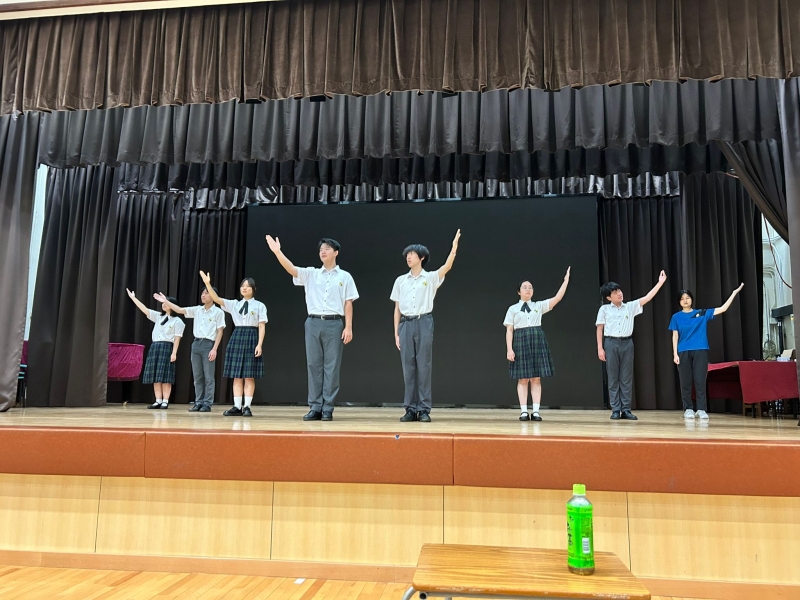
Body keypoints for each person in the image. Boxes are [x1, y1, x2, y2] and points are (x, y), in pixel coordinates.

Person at [266, 236, 359, 421]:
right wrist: (277, 252)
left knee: (331, 366)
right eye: (321, 249)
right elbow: (292, 269)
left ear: (336, 252)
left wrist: (348, 327)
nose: (323, 251)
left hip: (334, 323)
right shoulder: (311, 273)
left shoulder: (345, 276)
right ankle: (315, 407)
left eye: (327, 248)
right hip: (313, 322)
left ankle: (328, 408)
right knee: (313, 365)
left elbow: (348, 303)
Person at [391, 229, 461, 423]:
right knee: (408, 368)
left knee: (424, 366)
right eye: (407, 254)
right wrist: (396, 332)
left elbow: (447, 266)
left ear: (421, 257)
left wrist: (453, 248)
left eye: (412, 254)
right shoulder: (400, 281)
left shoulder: (429, 278)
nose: (408, 257)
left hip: (424, 322)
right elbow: (397, 308)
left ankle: (423, 409)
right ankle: (410, 409)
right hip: (406, 324)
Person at [596, 271, 667, 420]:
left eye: (619, 290)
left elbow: (647, 297)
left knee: (626, 378)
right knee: (613, 377)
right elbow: (599, 329)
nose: (619, 293)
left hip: (627, 343)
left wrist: (660, 283)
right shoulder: (604, 309)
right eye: (615, 292)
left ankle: (626, 409)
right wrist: (600, 348)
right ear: (609, 297)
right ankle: (615, 409)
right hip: (611, 343)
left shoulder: (630, 306)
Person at [669, 284, 744, 420]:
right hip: (683, 351)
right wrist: (675, 354)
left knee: (700, 380)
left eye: (687, 298)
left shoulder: (702, 313)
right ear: (679, 302)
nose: (685, 300)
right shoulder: (676, 317)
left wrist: (734, 293)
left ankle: (701, 409)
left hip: (700, 349)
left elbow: (722, 309)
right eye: (682, 299)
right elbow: (675, 336)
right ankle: (688, 409)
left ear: (691, 299)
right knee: (685, 382)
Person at [505, 268, 571, 421]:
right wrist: (509, 349)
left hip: (536, 340)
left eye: (530, 287)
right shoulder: (513, 309)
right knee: (522, 378)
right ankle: (523, 411)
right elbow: (509, 330)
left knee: (536, 378)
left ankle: (536, 411)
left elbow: (557, 298)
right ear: (519, 292)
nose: (528, 289)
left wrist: (566, 281)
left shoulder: (538, 306)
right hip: (520, 340)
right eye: (525, 287)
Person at [199, 271, 267, 417]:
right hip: (237, 336)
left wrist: (259, 344)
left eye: (248, 286)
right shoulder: (234, 304)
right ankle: (236, 406)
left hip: (251, 336)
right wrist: (207, 284)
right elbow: (216, 299)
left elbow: (262, 326)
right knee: (237, 375)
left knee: (249, 375)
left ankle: (247, 406)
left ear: (254, 289)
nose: (245, 288)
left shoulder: (260, 306)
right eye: (243, 286)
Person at [155, 287, 225, 412]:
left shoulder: (218, 312)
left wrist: (214, 348)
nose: (203, 295)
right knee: (197, 376)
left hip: (209, 344)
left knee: (208, 376)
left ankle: (207, 403)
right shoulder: (197, 309)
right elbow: (179, 310)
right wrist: (166, 301)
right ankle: (198, 402)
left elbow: (220, 331)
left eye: (207, 293)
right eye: (202, 293)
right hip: (196, 343)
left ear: (213, 296)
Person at [126, 288, 185, 409]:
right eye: (163, 302)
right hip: (155, 347)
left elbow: (177, 338)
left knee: (166, 376)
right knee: (156, 375)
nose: (163, 304)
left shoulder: (178, 321)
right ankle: (158, 400)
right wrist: (133, 298)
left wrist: (174, 353)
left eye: (166, 302)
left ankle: (165, 401)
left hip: (167, 347)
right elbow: (145, 309)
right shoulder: (158, 316)